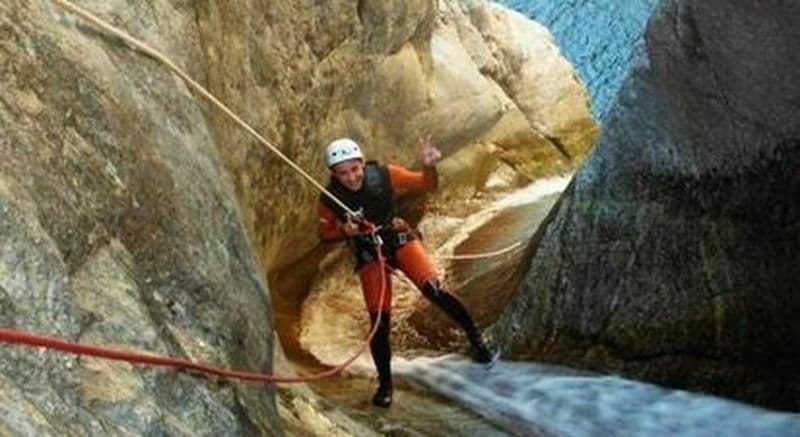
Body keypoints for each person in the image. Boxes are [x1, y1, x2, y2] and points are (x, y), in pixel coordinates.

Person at [316, 136, 496, 408]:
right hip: (369, 251)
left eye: (354, 169)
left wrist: (428, 165)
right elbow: (324, 233)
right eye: (343, 173)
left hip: (397, 238)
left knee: (434, 290)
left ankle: (477, 340)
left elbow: (426, 184)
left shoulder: (384, 174)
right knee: (379, 320)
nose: (351, 177)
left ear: (362, 163)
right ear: (333, 174)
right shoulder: (330, 198)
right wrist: (344, 231)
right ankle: (385, 384)